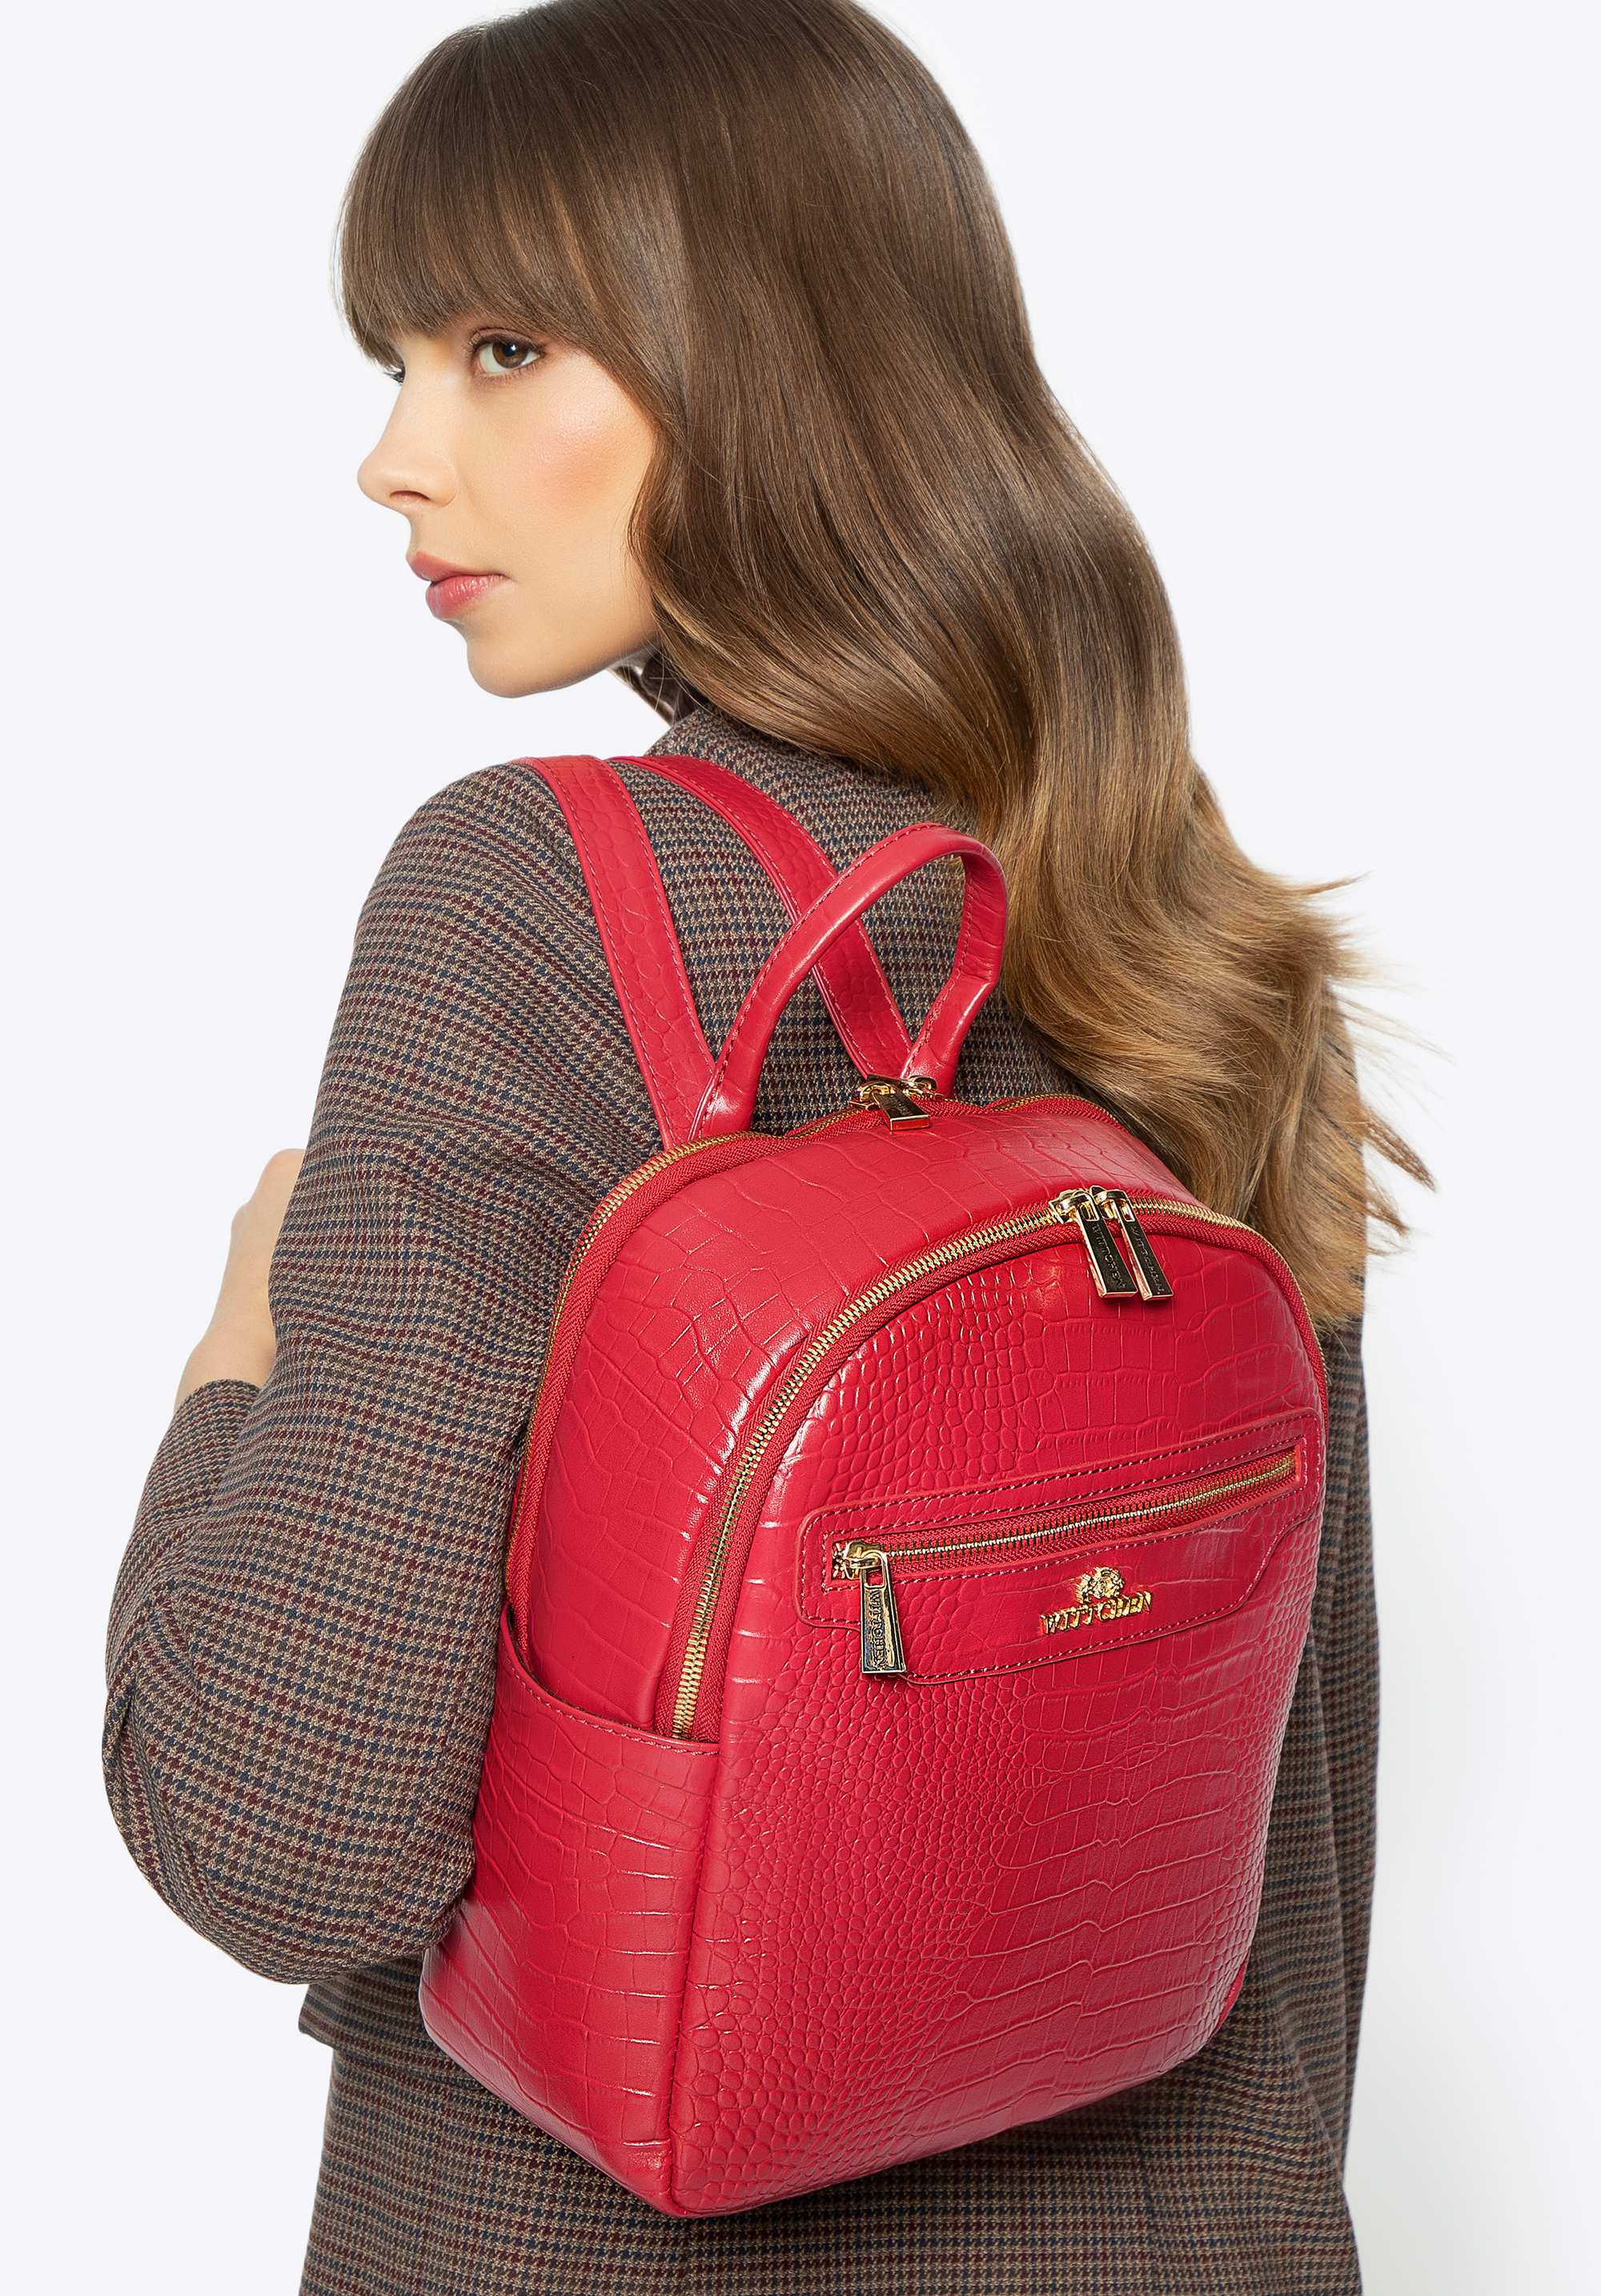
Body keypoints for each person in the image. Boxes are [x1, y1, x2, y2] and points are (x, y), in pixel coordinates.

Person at [102, 2, 1423, 2288]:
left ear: (772, 361)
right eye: (394, 362)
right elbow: (1276, 1863)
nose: (396, 458)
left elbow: (282, 1832)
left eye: (502, 349)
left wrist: (242, 1346)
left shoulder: (536, 894)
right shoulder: (1179, 912)